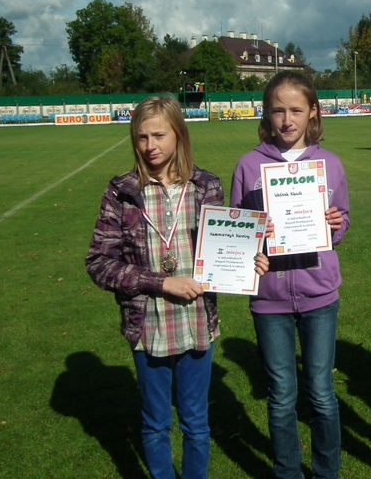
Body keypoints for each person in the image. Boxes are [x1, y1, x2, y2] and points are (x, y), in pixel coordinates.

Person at [86, 96, 256, 479]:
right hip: (148, 326)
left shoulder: (206, 185)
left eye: (159, 135)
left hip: (197, 323)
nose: (150, 146)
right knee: (155, 422)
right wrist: (161, 282)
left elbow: (224, 249)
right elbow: (99, 263)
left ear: (179, 134)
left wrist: (249, 260)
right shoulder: (121, 192)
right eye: (142, 137)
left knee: (196, 421)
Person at [230, 71, 349, 479]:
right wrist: (252, 252)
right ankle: (287, 473)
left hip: (319, 293)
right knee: (281, 395)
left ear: (313, 111)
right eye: (278, 110)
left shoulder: (329, 163)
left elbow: (342, 221)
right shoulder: (248, 165)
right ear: (266, 113)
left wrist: (335, 225)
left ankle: (327, 472)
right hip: (270, 298)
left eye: (296, 110)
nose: (287, 119)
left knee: (321, 391)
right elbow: (238, 231)